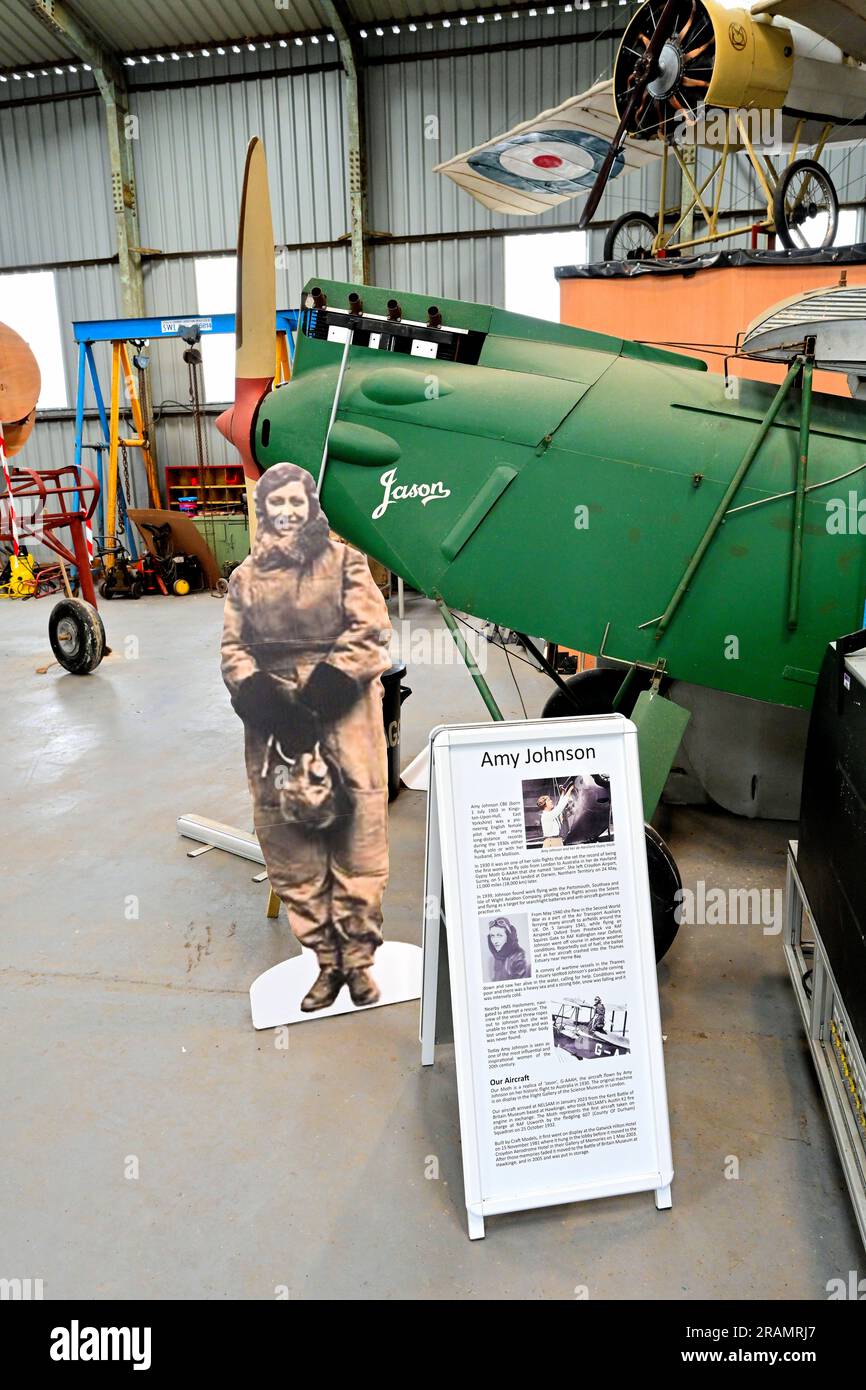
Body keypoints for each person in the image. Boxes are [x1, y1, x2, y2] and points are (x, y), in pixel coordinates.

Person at [221, 462, 391, 1013]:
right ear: (264, 509)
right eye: (278, 502)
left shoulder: (347, 563)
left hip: (347, 713)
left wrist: (319, 697)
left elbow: (370, 632)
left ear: (311, 505)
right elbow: (233, 651)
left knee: (358, 836)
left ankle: (359, 964)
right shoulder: (244, 579)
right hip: (273, 724)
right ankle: (323, 961)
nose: (288, 511)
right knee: (289, 840)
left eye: (298, 501)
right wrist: (272, 706)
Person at [486, 917, 530, 981]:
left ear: (508, 936)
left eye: (499, 935)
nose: (495, 941)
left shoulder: (518, 958)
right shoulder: (497, 956)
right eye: (492, 936)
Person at [537, 784, 573, 848]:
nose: (551, 801)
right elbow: (560, 807)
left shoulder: (550, 814)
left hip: (555, 841)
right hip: (552, 842)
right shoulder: (547, 816)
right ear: (544, 805)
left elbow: (559, 804)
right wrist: (570, 789)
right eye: (549, 800)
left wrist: (563, 793)